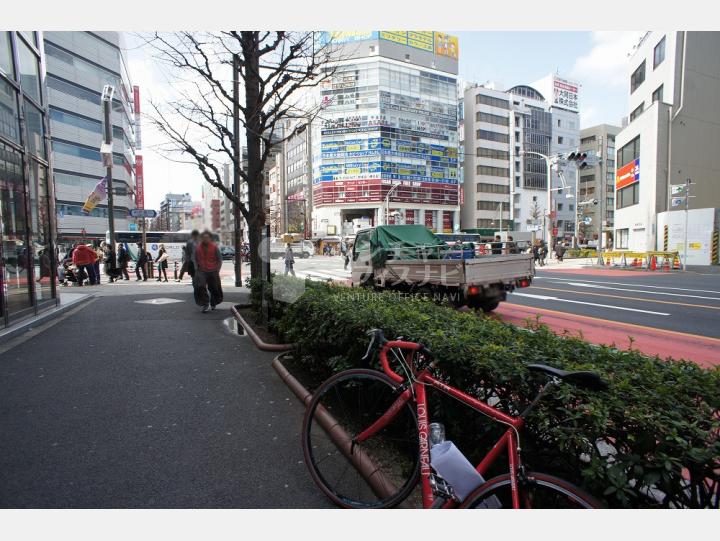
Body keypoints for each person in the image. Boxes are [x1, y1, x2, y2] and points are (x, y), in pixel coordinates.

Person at [194, 230, 223, 313]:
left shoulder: (214, 247)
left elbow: (219, 259)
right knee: (200, 286)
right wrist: (197, 268)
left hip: (213, 270)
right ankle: (205, 303)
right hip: (202, 270)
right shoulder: (198, 248)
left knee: (214, 288)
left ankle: (213, 302)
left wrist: (218, 269)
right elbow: (195, 258)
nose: (205, 239)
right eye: (204, 238)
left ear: (209, 239)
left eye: (207, 238)